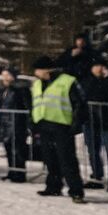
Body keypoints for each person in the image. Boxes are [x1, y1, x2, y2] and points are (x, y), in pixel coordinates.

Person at [29, 55, 88, 202]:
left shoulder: (67, 81)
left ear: (45, 70)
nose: (35, 73)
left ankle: (76, 190)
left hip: (62, 125)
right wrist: (33, 123)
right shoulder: (37, 84)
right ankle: (53, 187)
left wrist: (76, 124)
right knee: (50, 159)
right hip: (43, 125)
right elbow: (35, 105)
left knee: (67, 159)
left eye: (37, 70)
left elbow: (79, 104)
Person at [80, 57, 108, 192]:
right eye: (96, 66)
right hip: (91, 120)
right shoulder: (87, 81)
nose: (99, 69)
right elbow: (87, 94)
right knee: (93, 150)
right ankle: (97, 177)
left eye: (101, 66)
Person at [0, 69, 31, 183]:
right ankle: (11, 171)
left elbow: (26, 105)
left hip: (17, 123)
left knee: (18, 149)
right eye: (3, 75)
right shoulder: (2, 90)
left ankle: (19, 173)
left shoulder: (20, 90)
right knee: (8, 148)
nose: (5, 78)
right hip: (5, 124)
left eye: (7, 75)